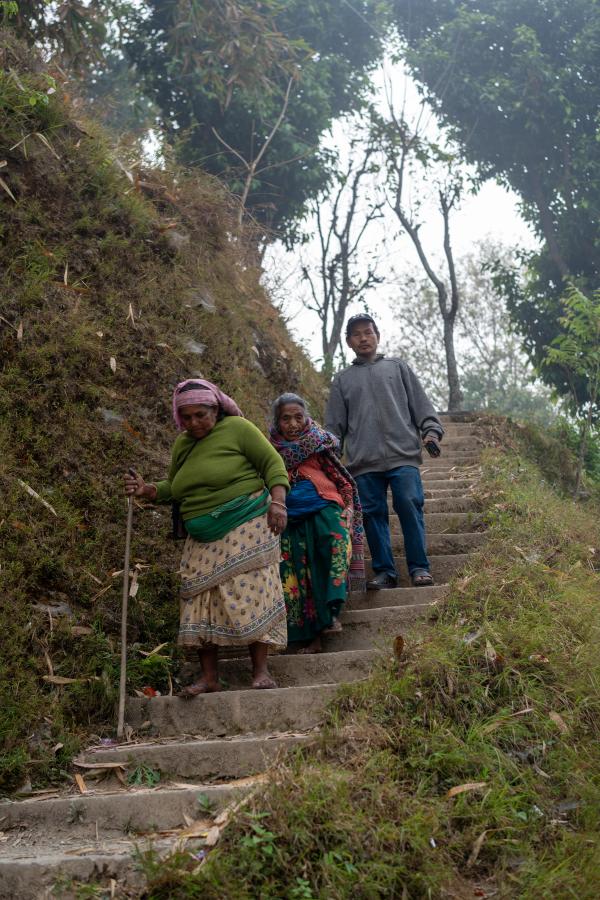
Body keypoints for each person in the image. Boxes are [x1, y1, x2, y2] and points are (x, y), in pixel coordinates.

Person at [124, 379, 290, 693]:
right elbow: (175, 487)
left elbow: (273, 464)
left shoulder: (238, 429)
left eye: (200, 415)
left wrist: (278, 503)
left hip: (247, 520)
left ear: (216, 409)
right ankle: (209, 678)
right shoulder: (183, 445)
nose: (193, 423)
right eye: (186, 417)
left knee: (250, 590)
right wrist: (147, 490)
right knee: (198, 598)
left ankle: (260, 671)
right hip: (201, 535)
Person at [325, 314, 444, 589]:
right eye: (356, 334)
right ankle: (385, 572)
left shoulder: (398, 367)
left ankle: (419, 567)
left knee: (409, 504)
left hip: (403, 454)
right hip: (363, 461)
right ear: (348, 342)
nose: (363, 338)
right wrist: (329, 456)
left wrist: (431, 431)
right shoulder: (342, 380)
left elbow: (421, 406)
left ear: (377, 336)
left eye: (368, 332)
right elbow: (334, 427)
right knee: (372, 514)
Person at [269, 393, 365, 653]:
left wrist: (348, 507)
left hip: (325, 509)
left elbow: (344, 481)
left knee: (334, 551)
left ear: (306, 418)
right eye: (286, 419)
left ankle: (332, 613)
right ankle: (312, 638)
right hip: (289, 520)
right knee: (298, 575)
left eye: (298, 417)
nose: (293, 424)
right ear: (277, 422)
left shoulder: (319, 444)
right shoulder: (269, 452)